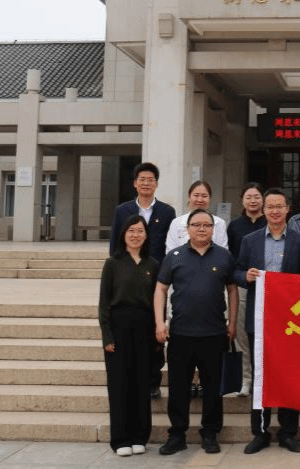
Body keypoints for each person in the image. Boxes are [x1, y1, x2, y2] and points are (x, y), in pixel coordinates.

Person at [234, 188, 300, 454]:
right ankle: (260, 432)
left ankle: (288, 432)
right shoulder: (250, 241)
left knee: (289, 376)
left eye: (280, 206)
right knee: (260, 375)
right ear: (264, 210)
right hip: (259, 318)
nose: (275, 211)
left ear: (288, 209)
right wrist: (245, 276)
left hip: (291, 322)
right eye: (270, 207)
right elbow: (236, 271)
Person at [152, 208, 237, 456]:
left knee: (213, 388)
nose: (202, 229)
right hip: (181, 334)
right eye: (196, 225)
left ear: (213, 229)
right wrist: (159, 323)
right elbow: (160, 289)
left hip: (214, 333)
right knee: (178, 388)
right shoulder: (174, 256)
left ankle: (210, 433)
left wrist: (232, 323)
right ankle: (177, 434)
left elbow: (232, 290)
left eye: (207, 225)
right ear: (187, 229)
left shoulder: (224, 256)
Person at [109, 162, 176, 400]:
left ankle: (153, 380)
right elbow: (115, 245)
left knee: (155, 328)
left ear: (156, 184)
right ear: (135, 183)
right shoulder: (122, 210)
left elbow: (169, 246)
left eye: (150, 179)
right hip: (128, 277)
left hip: (156, 278)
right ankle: (131, 378)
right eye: (142, 179)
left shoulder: (167, 212)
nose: (146, 183)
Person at [99, 215, 159, 457]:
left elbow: (158, 301)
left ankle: (139, 436)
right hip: (119, 327)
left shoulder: (152, 264)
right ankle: (120, 438)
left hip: (144, 327)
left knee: (141, 384)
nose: (136, 235)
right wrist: (107, 336)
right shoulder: (113, 263)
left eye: (140, 231)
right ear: (123, 234)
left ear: (146, 235)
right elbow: (104, 303)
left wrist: (157, 332)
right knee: (119, 384)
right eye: (131, 230)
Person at [226, 182, 266, 398]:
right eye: (249, 197)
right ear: (242, 200)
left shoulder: (270, 222)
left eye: (257, 197)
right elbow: (232, 260)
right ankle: (246, 379)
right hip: (243, 286)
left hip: (269, 287)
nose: (253, 201)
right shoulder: (234, 226)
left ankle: (264, 378)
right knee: (241, 334)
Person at [166, 180, 228, 253]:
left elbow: (222, 252)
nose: (200, 200)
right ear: (189, 197)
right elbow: (171, 252)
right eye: (196, 195)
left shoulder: (219, 223)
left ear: (210, 199)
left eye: (204, 196)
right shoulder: (176, 223)